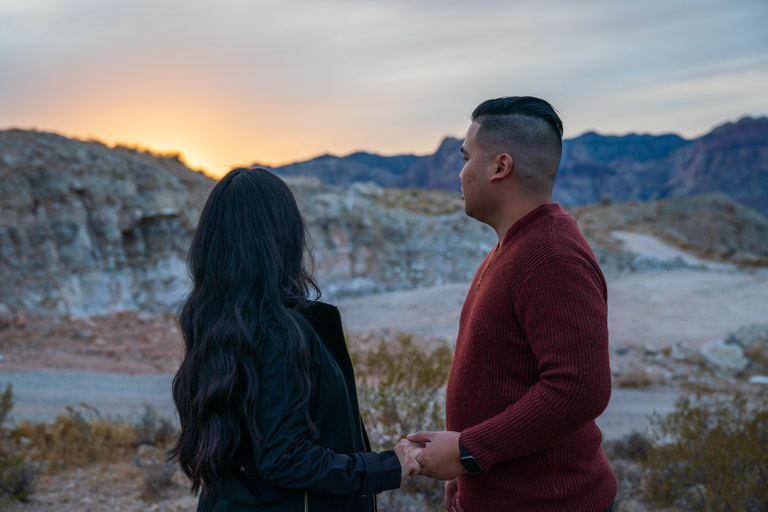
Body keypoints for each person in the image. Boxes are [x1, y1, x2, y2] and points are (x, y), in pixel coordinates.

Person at [168, 167, 422, 512]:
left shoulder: (213, 321)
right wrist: (388, 465)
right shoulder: (278, 331)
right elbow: (284, 457)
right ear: (282, 237)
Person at [407, 97, 617, 512]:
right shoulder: (517, 244)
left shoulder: (552, 256)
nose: (461, 173)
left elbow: (581, 389)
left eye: (467, 158)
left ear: (500, 167)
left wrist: (468, 450)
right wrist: (471, 472)